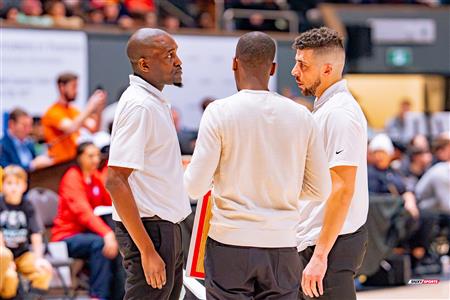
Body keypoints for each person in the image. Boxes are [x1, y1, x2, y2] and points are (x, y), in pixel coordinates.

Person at [184, 31, 331, 299]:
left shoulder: (219, 111)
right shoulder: (301, 115)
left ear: (234, 63)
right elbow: (320, 189)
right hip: (283, 244)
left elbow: (194, 187)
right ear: (273, 68)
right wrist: (282, 189)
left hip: (230, 243)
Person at [105, 28, 191, 300]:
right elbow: (115, 180)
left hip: (168, 226)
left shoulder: (154, 100)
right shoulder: (139, 106)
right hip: (151, 231)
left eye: (176, 53)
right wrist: (146, 250)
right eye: (169, 55)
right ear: (144, 64)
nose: (178, 61)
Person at [291, 27, 369, 300]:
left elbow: (342, 188)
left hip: (329, 244)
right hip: (318, 240)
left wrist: (321, 255)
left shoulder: (340, 115)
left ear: (326, 69)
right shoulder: (326, 109)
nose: (294, 71)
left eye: (302, 64)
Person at [51, 142, 119, 299]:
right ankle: (98, 295)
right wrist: (107, 234)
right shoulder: (72, 177)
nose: (95, 160)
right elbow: (83, 212)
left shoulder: (95, 177)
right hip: (66, 236)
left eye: (97, 156)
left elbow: (109, 202)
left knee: (117, 240)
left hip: (86, 233)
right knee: (100, 243)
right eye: (90, 156)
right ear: (79, 158)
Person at [0, 165, 53, 298]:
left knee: (43, 270)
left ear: (24, 186)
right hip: (4, 256)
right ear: (2, 185)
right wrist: (7, 262)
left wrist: (39, 258)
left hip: (23, 254)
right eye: (9, 183)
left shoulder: (28, 205)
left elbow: (36, 233)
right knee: (10, 278)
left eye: (17, 183)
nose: (13, 187)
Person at [42, 72, 106, 164]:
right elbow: (71, 128)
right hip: (58, 164)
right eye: (73, 87)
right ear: (62, 87)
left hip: (73, 161)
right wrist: (90, 106)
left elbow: (94, 129)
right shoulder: (52, 112)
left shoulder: (74, 111)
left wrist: (99, 110)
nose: (76, 91)